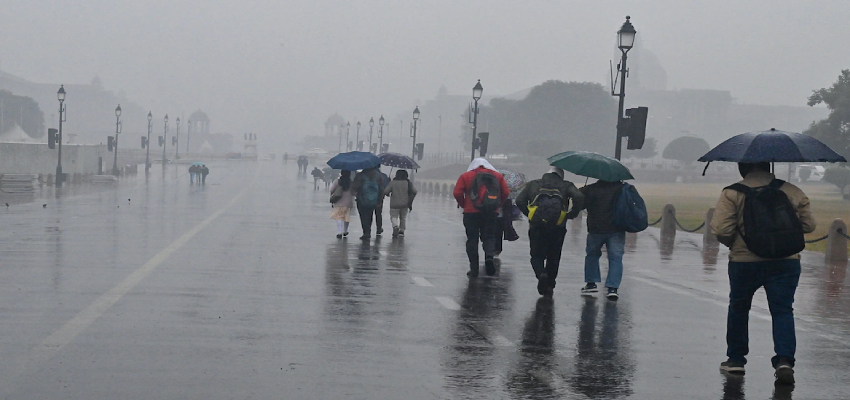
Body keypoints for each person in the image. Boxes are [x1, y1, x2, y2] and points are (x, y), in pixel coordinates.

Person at [710, 162, 815, 385]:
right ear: (769, 167)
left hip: (744, 261)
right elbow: (809, 225)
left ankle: (736, 359)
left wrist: (737, 244)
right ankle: (785, 360)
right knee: (782, 310)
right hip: (786, 261)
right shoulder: (791, 190)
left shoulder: (732, 193)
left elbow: (721, 229)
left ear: (742, 168)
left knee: (739, 307)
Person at [515, 167, 584, 296]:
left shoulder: (534, 184)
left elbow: (519, 200)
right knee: (554, 256)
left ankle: (541, 274)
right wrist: (572, 213)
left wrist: (530, 214)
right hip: (558, 226)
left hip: (537, 225)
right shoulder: (566, 185)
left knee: (536, 255)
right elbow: (579, 196)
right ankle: (550, 284)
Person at [453, 158, 510, 276]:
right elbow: (506, 192)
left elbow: (457, 193)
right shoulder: (498, 176)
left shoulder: (466, 176)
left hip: (471, 213)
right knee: (489, 237)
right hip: (490, 212)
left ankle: (474, 268)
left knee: (472, 239)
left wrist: (464, 204)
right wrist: (497, 205)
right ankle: (489, 257)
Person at [578, 178, 627, 300]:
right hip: (616, 228)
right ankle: (613, 288)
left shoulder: (591, 189)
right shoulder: (621, 189)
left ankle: (591, 283)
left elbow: (581, 205)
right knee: (616, 258)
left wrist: (582, 191)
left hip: (596, 228)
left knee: (592, 255)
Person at [351, 166, 386, 240]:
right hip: (374, 200)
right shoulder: (378, 176)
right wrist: (380, 200)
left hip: (361, 199)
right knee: (370, 215)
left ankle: (366, 232)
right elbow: (381, 189)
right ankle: (368, 230)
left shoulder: (360, 175)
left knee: (363, 216)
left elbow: (355, 187)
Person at [383, 169, 417, 237]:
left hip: (394, 204)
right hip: (405, 203)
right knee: (403, 217)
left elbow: (385, 192)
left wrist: (388, 184)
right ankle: (401, 231)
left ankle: (395, 226)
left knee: (393, 216)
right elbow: (414, 191)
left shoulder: (392, 182)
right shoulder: (408, 183)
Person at [329, 170, 355, 238]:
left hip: (339, 201)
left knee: (339, 217)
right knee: (346, 216)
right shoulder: (351, 183)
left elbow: (331, 190)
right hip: (348, 202)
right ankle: (345, 231)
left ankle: (339, 232)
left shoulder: (337, 181)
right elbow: (354, 192)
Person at [373, 167, 390, 235]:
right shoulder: (383, 176)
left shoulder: (368, 175)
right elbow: (386, 188)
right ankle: (379, 228)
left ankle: (367, 230)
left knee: (368, 214)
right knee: (378, 214)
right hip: (380, 197)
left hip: (368, 197)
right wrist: (388, 181)